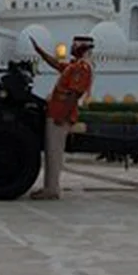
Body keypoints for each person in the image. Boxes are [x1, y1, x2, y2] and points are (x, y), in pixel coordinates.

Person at [29, 35, 95, 200]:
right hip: (56, 112)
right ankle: (49, 188)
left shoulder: (82, 68)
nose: (72, 47)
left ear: (82, 48)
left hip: (60, 115)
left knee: (54, 153)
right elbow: (57, 64)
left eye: (75, 45)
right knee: (51, 153)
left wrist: (62, 116)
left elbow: (74, 94)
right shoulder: (74, 66)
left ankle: (52, 189)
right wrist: (40, 51)